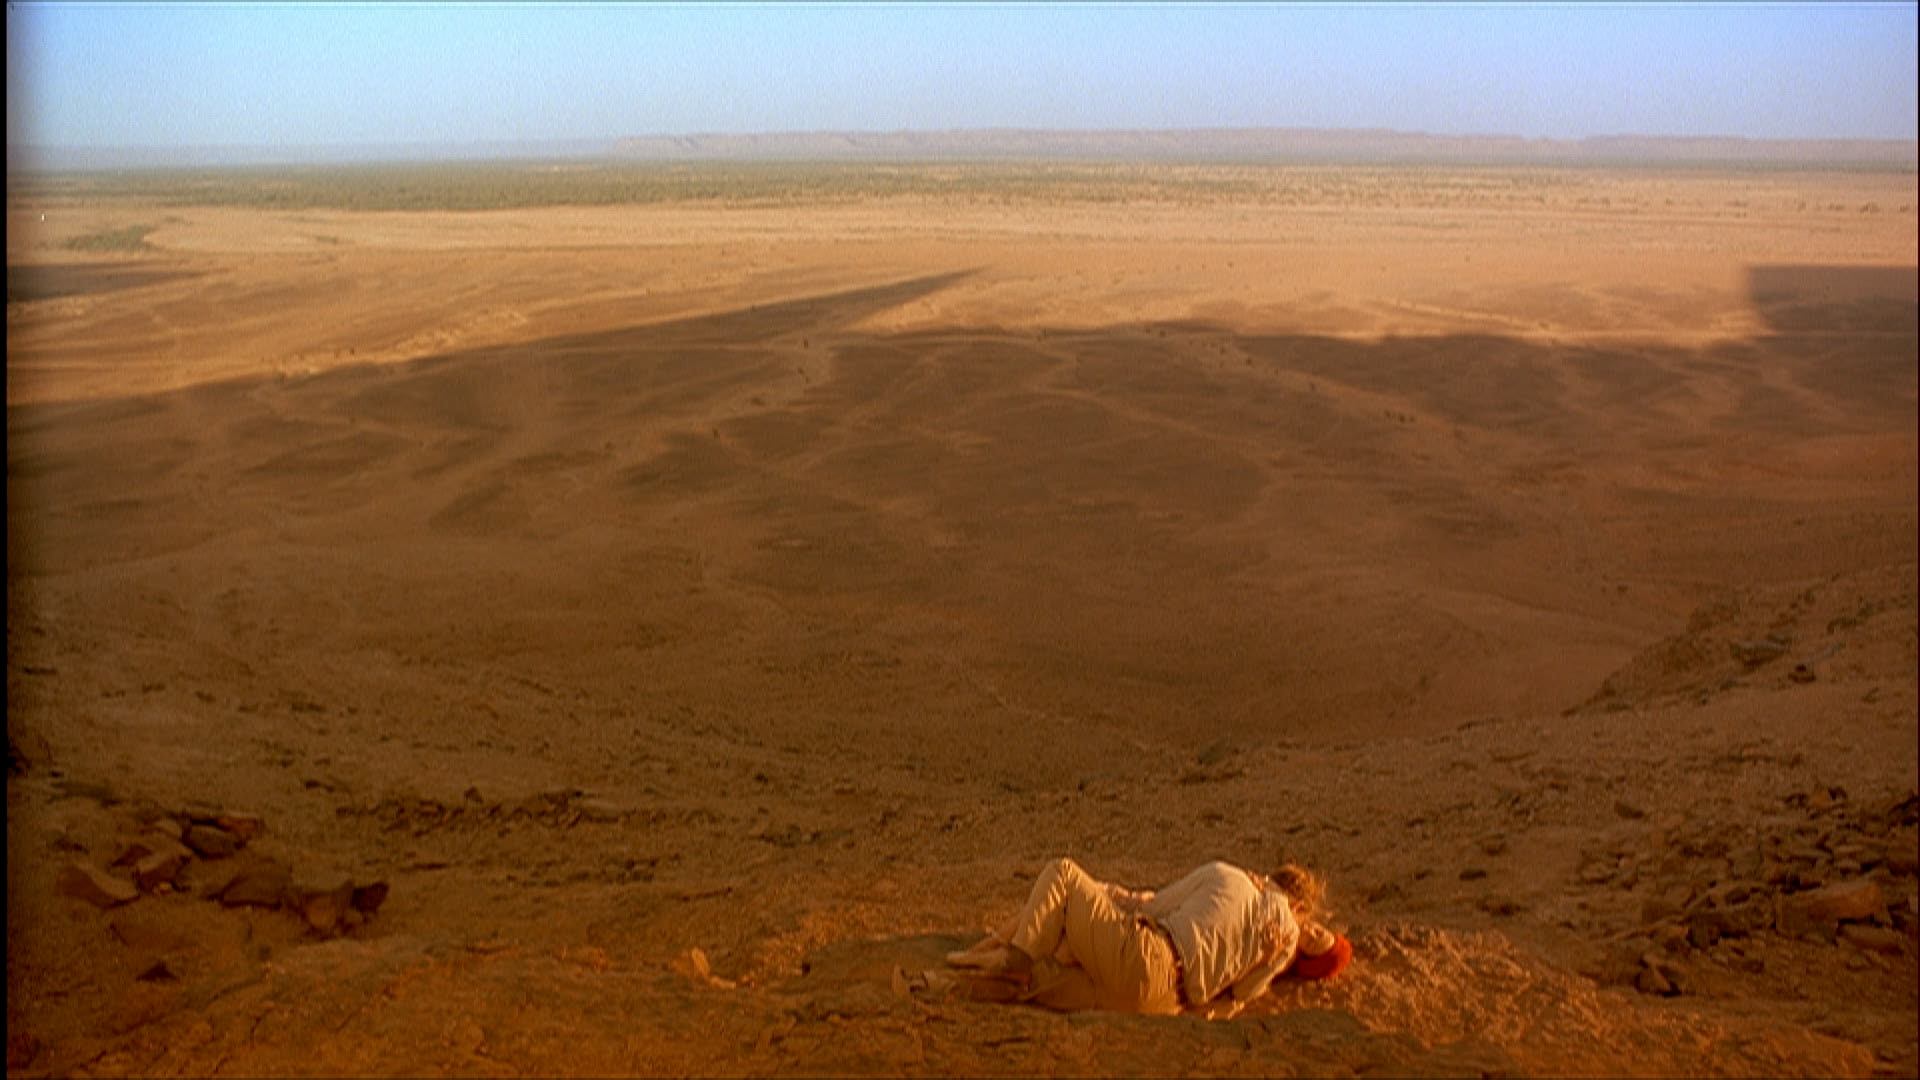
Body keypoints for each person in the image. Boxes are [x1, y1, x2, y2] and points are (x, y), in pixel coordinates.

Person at [945, 857, 1351, 1018]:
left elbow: (1153, 911)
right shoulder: (1281, 948)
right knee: (1041, 985)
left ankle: (1004, 960)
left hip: (1148, 959)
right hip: (1162, 1004)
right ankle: (940, 985)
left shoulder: (1227, 874)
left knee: (1064, 875)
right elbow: (1241, 992)